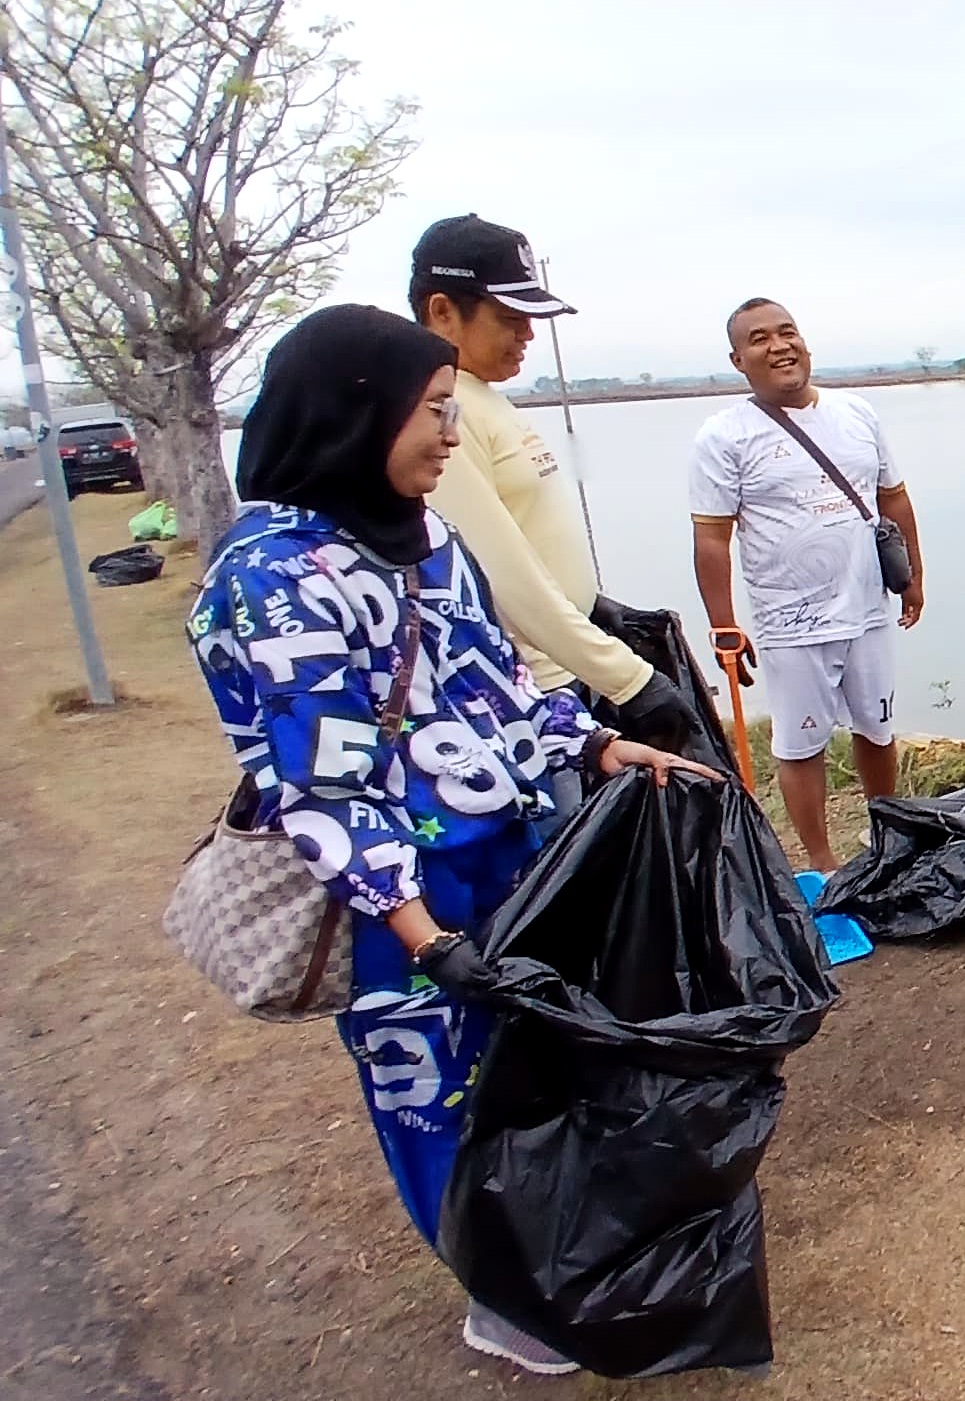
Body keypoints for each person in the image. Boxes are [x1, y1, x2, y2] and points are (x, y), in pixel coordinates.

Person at [185, 305, 716, 1376]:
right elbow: (325, 790)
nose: (447, 436)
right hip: (401, 900)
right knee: (436, 1092)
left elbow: (496, 693)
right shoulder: (274, 579)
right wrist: (422, 933)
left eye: (448, 412)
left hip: (513, 859)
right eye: (430, 414)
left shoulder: (431, 542)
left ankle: (562, 1248)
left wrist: (597, 746)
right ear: (353, 415)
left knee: (538, 1067)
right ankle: (500, 1294)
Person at [407, 215, 694, 834]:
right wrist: (629, 678)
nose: (528, 334)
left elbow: (532, 538)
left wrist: (594, 607)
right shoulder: (438, 414)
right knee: (557, 861)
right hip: (524, 690)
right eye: (510, 318)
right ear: (442, 310)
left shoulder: (486, 397)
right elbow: (497, 574)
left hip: (566, 669)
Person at [689, 298, 926, 873]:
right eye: (760, 338)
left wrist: (913, 576)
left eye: (787, 332)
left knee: (877, 727)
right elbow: (713, 539)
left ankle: (888, 840)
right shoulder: (723, 437)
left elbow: (892, 498)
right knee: (801, 744)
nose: (779, 346)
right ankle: (821, 864)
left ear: (806, 343)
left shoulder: (857, 414)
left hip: (866, 607)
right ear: (738, 359)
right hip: (789, 623)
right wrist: (724, 624)